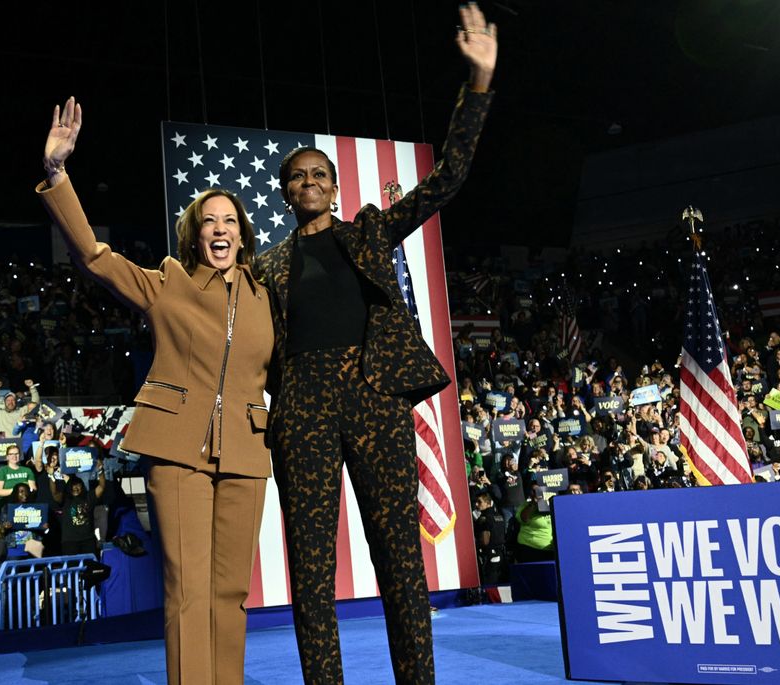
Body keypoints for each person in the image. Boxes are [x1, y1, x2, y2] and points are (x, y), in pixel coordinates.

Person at [253, 7, 495, 679]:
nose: (310, 184)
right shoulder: (265, 265)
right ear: (285, 193)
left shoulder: (371, 231)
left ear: (335, 185)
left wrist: (477, 84)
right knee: (310, 565)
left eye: (319, 175)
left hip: (373, 394)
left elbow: (448, 177)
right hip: (301, 404)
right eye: (297, 177)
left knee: (399, 556)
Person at [37, 94, 274, 684]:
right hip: (175, 447)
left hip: (246, 448)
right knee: (188, 589)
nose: (220, 230)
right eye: (209, 222)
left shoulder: (271, 296)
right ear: (195, 236)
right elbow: (92, 255)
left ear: (243, 236)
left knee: (230, 591)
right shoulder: (166, 283)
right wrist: (57, 173)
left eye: (230, 222)